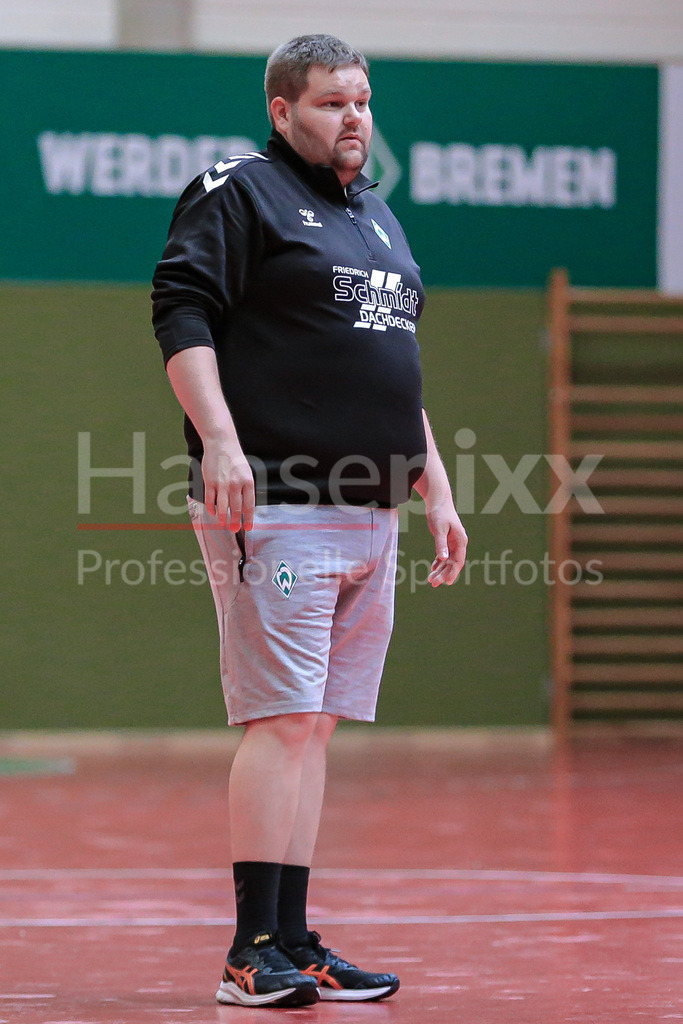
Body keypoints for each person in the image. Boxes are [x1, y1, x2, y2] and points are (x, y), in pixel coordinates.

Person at [152, 33, 468, 1009]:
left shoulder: (374, 217)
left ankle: (293, 938)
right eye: (332, 102)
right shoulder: (238, 188)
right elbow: (181, 309)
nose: (354, 118)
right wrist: (219, 440)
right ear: (283, 110)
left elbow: (383, 363)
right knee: (281, 717)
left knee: (315, 727)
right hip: (278, 500)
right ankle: (250, 951)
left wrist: (435, 483)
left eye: (363, 100)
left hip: (370, 509)